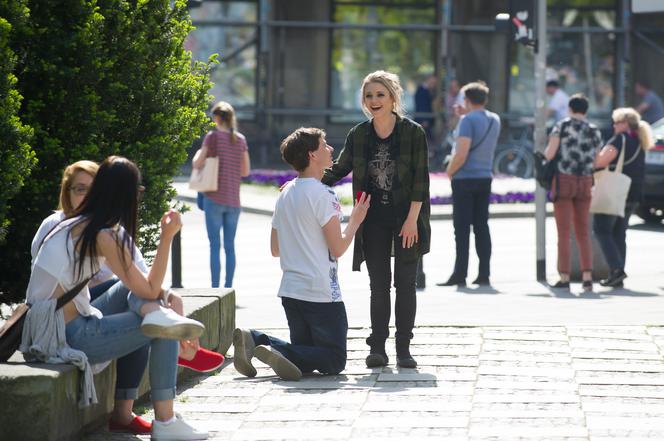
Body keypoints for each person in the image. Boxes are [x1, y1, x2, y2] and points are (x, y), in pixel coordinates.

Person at [25, 156, 209, 440]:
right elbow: (148, 289)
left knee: (144, 304)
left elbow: (139, 287)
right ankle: (166, 420)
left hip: (54, 324)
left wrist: (161, 300)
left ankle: (160, 318)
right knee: (161, 327)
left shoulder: (79, 224)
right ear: (126, 195)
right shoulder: (100, 234)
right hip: (62, 336)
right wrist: (166, 237)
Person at [232, 128, 370, 380]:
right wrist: (355, 221)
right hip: (320, 294)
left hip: (291, 292)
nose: (330, 149)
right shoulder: (324, 194)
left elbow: (275, 249)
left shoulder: (285, 193)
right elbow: (337, 248)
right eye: (324, 145)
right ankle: (270, 347)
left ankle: (256, 339)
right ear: (311, 155)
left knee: (303, 360)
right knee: (334, 360)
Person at [321, 70, 431, 369]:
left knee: (406, 285)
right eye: (369, 96)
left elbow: (421, 181)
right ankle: (378, 347)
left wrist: (411, 220)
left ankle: (404, 349)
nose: (374, 101)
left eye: (380, 94)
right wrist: (302, 180)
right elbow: (339, 168)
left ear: (393, 97)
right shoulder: (359, 134)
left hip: (408, 218)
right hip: (372, 221)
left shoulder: (413, 133)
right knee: (379, 286)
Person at [439, 81, 500, 287]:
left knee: (462, 228)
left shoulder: (467, 121)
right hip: (485, 177)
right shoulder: (494, 119)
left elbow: (461, 153)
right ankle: (484, 274)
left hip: (465, 178)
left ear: (466, 99)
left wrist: (449, 171)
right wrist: (464, 115)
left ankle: (460, 274)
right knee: (482, 226)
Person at [544, 94, 603, 292]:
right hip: (585, 181)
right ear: (586, 110)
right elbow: (596, 162)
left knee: (564, 232)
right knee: (584, 231)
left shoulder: (562, 126)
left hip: (564, 180)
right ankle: (587, 277)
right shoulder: (594, 130)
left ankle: (565, 276)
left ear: (570, 108)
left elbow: (549, 154)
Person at [193, 101, 251, 288]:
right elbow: (245, 171)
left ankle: (215, 287)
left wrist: (198, 155)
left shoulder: (212, 137)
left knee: (214, 246)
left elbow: (197, 163)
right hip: (233, 200)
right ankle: (228, 287)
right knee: (230, 247)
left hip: (214, 198)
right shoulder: (240, 139)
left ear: (217, 117)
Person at [593, 108, 653, 288]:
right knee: (620, 232)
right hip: (633, 192)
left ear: (625, 123)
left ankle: (617, 269)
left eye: (617, 122)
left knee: (602, 229)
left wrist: (595, 152)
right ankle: (616, 273)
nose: (614, 125)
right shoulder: (639, 140)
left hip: (616, 192)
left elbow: (600, 162)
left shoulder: (620, 139)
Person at [413, 74, 437, 289]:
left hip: (417, 207)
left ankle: (418, 274)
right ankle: (418, 274)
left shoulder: (414, 133)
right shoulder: (422, 92)